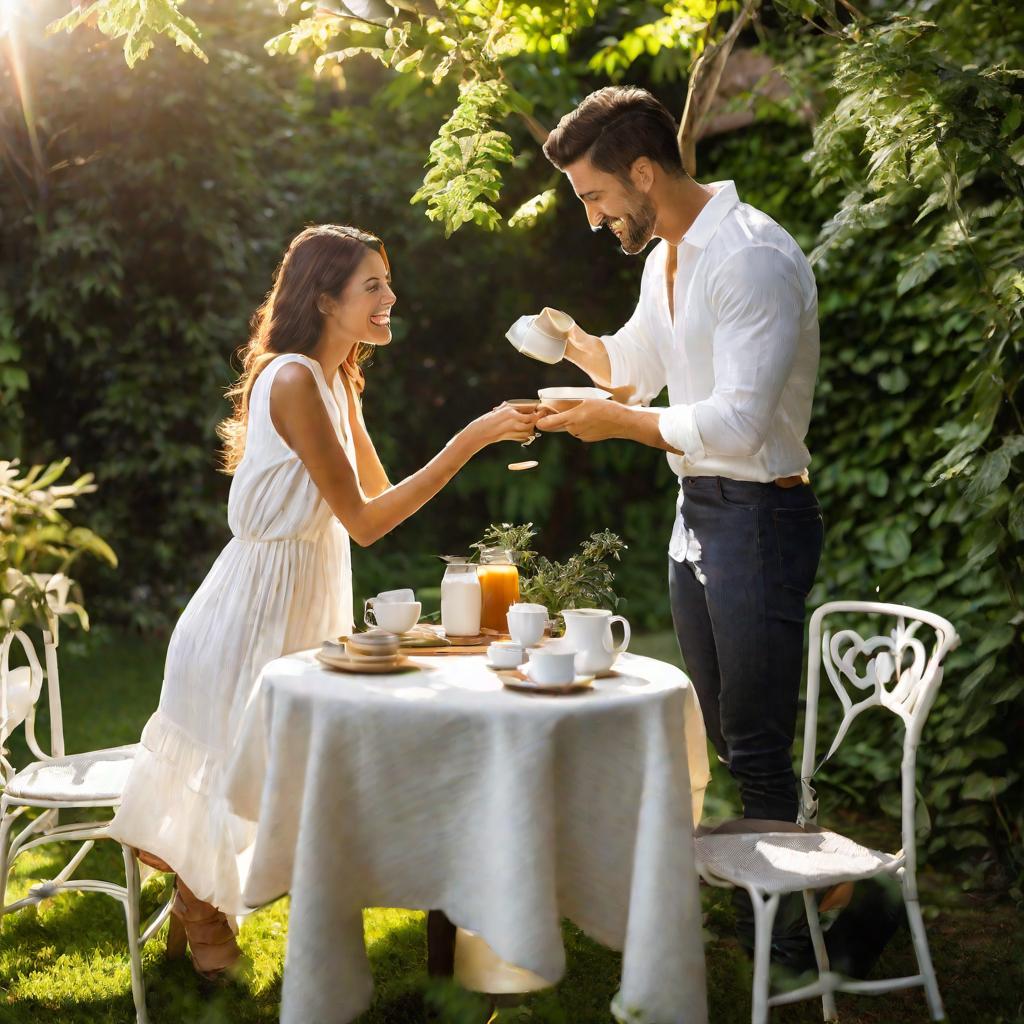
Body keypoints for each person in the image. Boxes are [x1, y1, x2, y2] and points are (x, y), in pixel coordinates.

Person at [109, 224, 541, 978]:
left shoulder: (337, 378)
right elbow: (369, 523)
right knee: (237, 775)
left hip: (304, 600)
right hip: (248, 613)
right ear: (324, 298)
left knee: (287, 777)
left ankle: (204, 910)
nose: (389, 297)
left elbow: (376, 495)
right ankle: (199, 912)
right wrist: (470, 438)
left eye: (387, 281)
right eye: (371, 285)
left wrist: (471, 441)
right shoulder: (293, 380)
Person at [536, 85, 822, 826]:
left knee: (756, 748)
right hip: (697, 513)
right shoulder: (666, 256)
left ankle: (793, 935)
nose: (593, 219)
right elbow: (634, 365)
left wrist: (618, 424)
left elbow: (738, 427)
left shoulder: (749, 258)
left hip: (760, 516)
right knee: (727, 734)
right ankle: (833, 901)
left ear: (641, 173)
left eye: (595, 196)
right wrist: (571, 344)